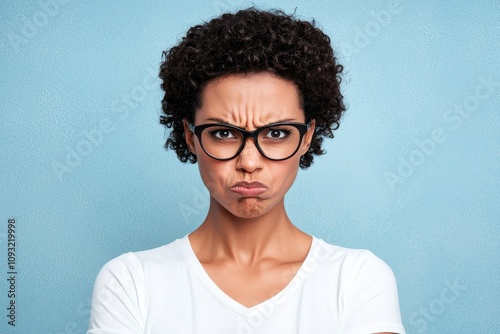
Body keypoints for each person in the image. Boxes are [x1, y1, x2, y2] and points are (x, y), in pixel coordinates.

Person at [87, 8, 405, 334]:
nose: (249, 162)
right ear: (190, 136)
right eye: (223, 133)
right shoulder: (131, 282)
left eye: (277, 133)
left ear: (307, 136)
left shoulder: (356, 280)